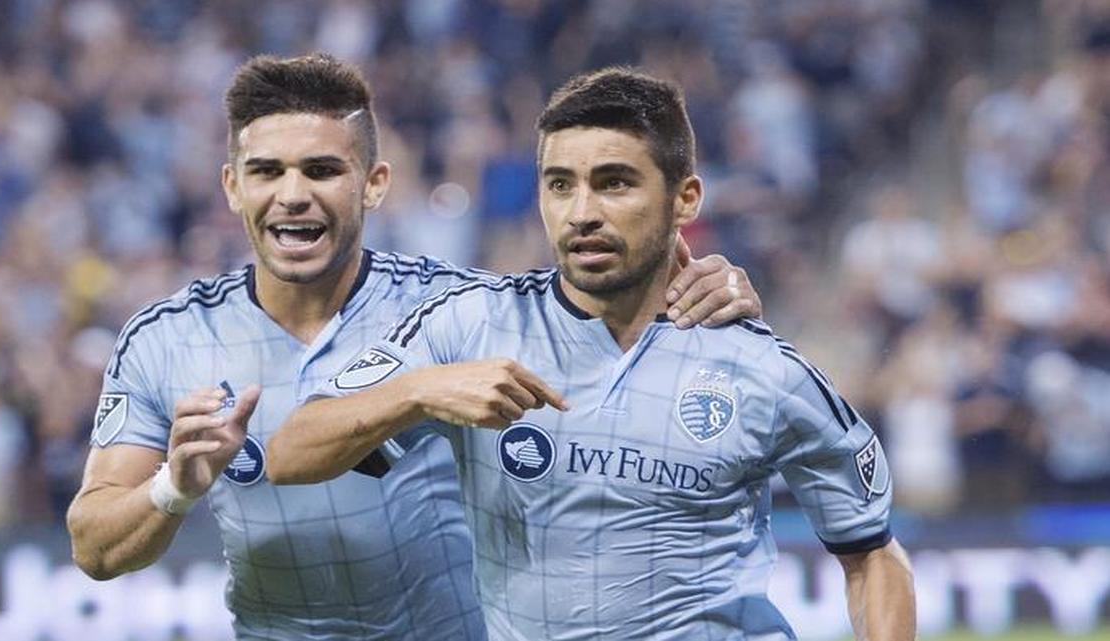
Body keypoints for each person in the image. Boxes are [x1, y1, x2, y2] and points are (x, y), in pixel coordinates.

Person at [65, 54, 763, 641]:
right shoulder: (167, 337)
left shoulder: (459, 312)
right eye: (268, 171)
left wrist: (709, 294)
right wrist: (173, 488)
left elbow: (615, 324)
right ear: (232, 188)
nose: (294, 195)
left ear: (374, 184)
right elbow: (93, 545)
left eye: (321, 170)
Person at [268, 67, 917, 641]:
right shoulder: (468, 329)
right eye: (559, 184)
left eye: (614, 183)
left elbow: (872, 552)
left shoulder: (761, 367)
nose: (582, 212)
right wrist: (415, 391)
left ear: (684, 198)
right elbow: (290, 451)